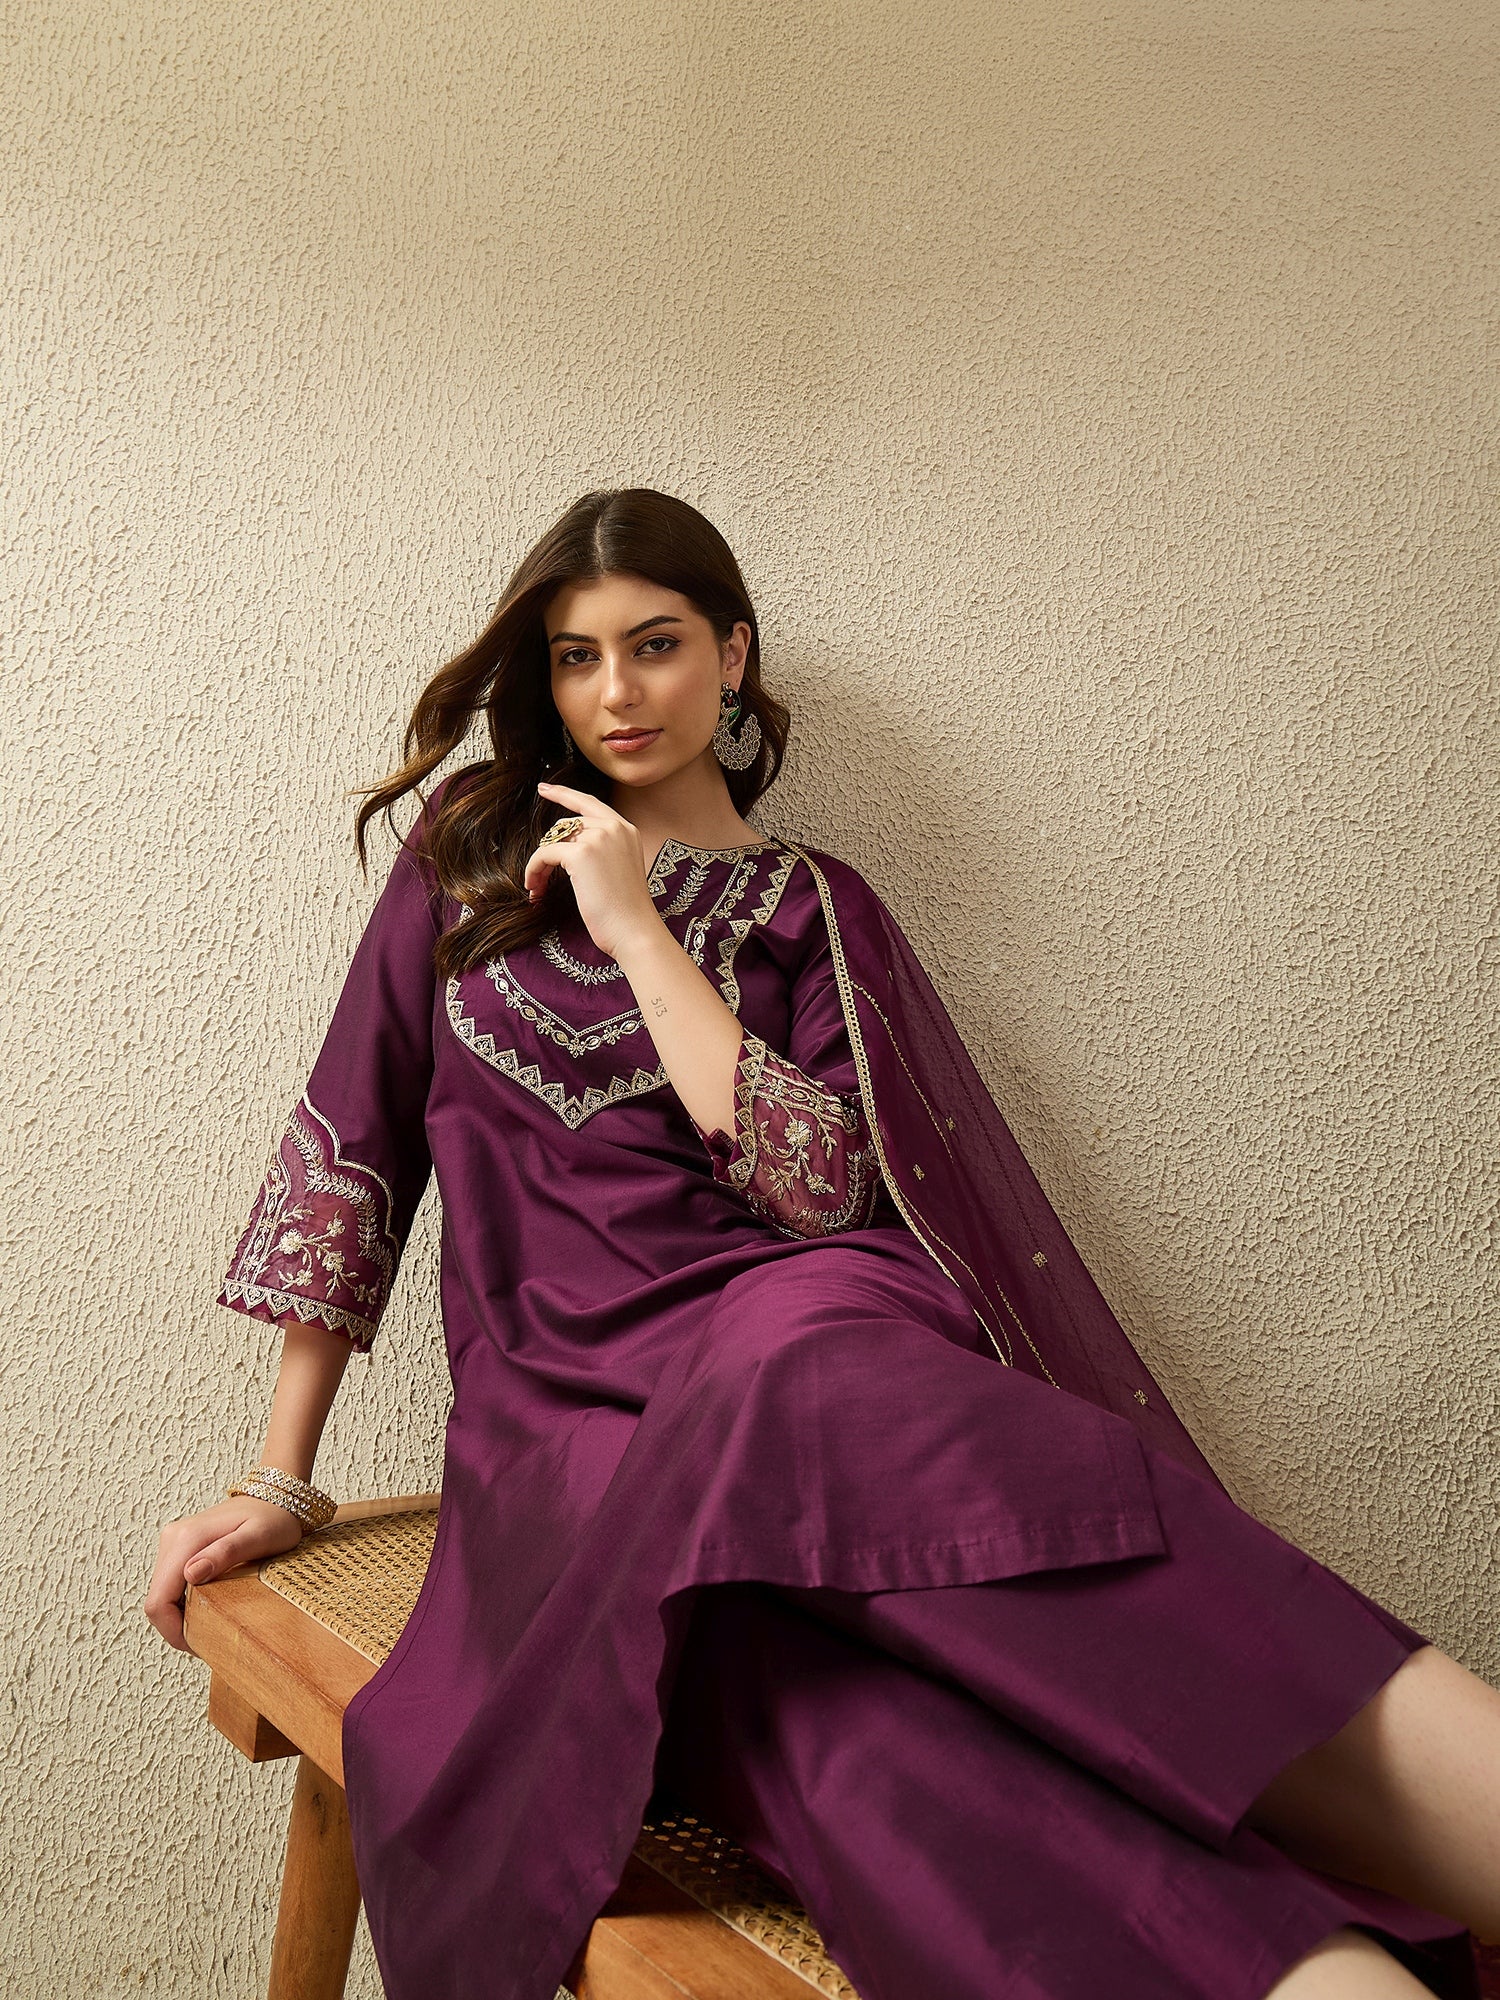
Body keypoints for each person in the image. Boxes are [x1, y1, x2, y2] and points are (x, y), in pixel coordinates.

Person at [146, 488, 1498, 2000]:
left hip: (810, 1350)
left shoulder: (814, 908)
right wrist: (280, 1476)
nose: (617, 692)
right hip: (573, 1426)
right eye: (579, 657)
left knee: (807, 1380)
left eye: (657, 645)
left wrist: (638, 927)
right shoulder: (466, 857)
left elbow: (818, 1193)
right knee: (850, 1728)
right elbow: (354, 1148)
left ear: (731, 656)